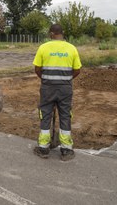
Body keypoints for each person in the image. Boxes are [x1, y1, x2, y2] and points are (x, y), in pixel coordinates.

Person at [32, 24, 82, 161]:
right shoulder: (72, 48)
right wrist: (65, 79)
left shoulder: (43, 48)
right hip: (65, 88)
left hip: (47, 88)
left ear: (51, 34)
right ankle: (66, 150)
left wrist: (46, 79)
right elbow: (77, 70)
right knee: (65, 115)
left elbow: (37, 69)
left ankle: (43, 148)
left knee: (45, 115)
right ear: (62, 33)